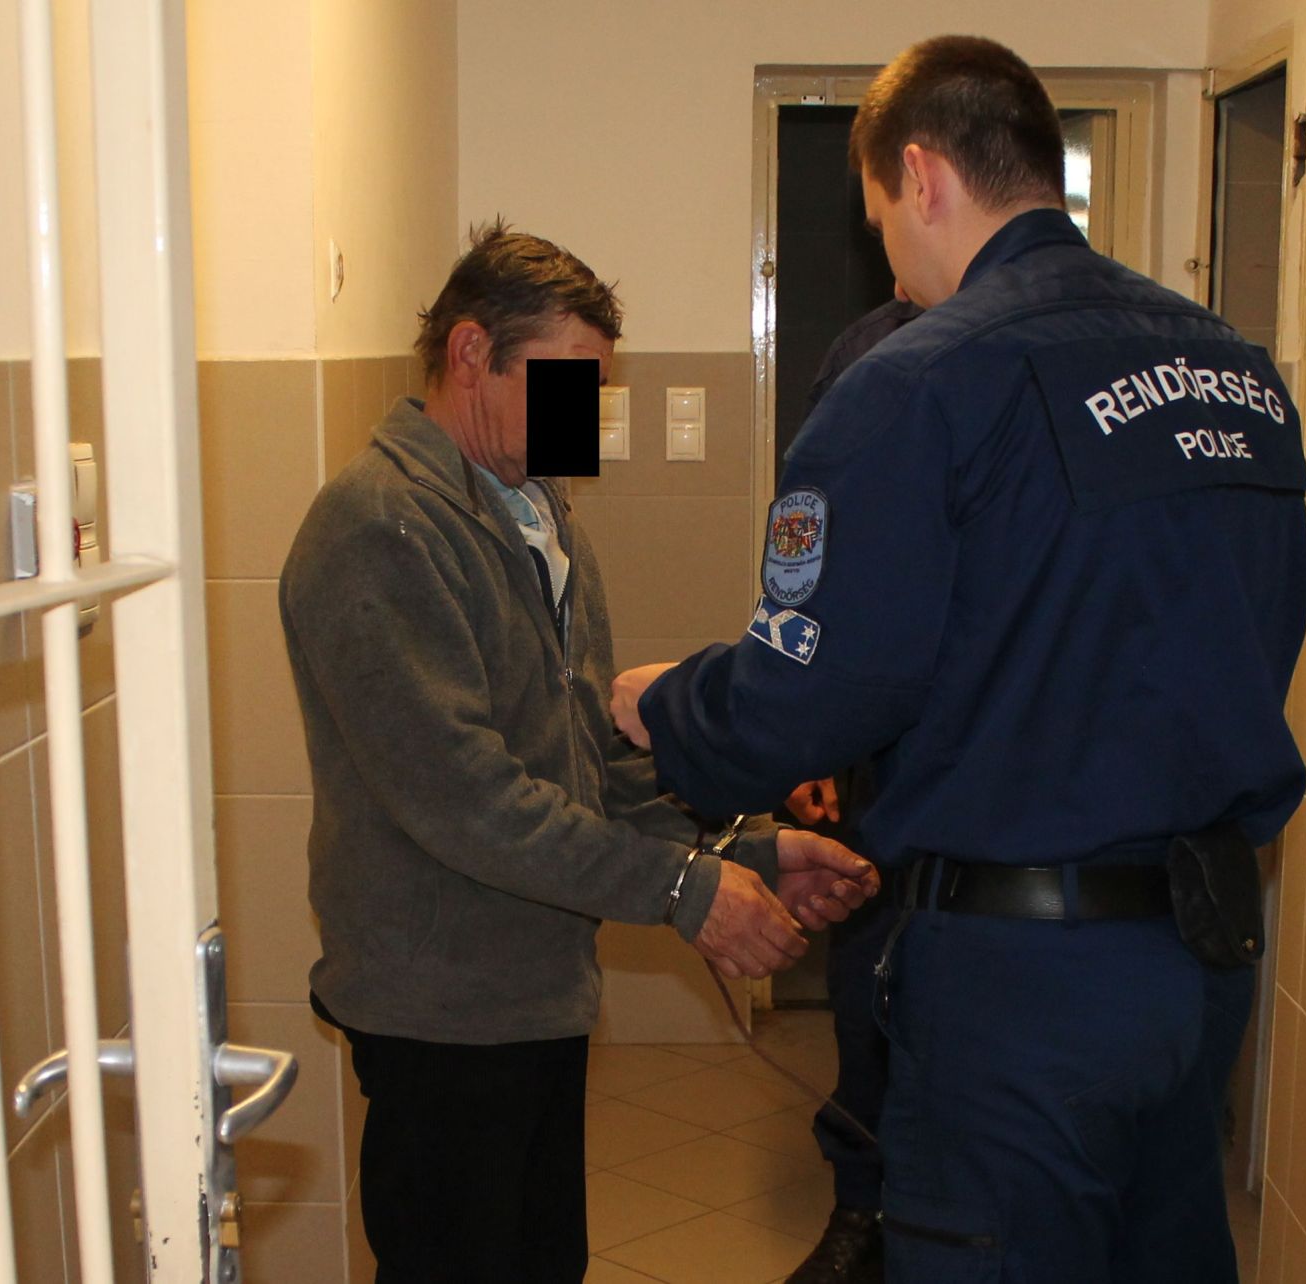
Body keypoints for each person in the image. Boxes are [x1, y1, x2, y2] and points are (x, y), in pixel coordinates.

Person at [612, 36, 1306, 1284]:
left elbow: (809, 693)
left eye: (881, 216)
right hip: (1200, 963)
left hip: (1018, 987)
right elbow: (1256, 636)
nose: (892, 257)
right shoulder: (1234, 375)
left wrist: (669, 709)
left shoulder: (917, 384)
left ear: (922, 176)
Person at [279, 220, 880, 1284]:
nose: (586, 420)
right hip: (440, 1011)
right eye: (567, 385)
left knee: (545, 1261)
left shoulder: (537, 513)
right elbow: (471, 801)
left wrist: (742, 851)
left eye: (595, 392)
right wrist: (683, 893)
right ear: (472, 352)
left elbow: (585, 761)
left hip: (537, 989)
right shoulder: (378, 529)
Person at [780, 289, 921, 1284]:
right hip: (875, 772)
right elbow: (804, 601)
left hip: (984, 787)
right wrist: (800, 746)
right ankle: (860, 1208)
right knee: (865, 997)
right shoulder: (865, 354)